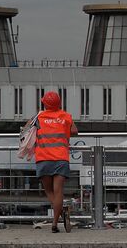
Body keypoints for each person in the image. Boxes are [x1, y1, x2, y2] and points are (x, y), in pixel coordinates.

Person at [34, 91, 78, 233]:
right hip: (61, 158)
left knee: (49, 191)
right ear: (59, 103)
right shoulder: (65, 116)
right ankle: (54, 223)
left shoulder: (39, 116)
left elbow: (26, 129)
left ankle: (62, 212)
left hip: (43, 158)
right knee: (59, 192)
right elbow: (75, 131)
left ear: (44, 103)